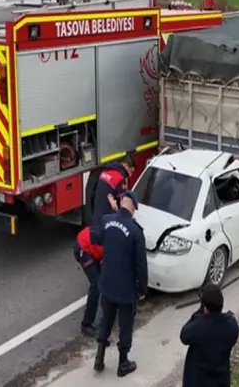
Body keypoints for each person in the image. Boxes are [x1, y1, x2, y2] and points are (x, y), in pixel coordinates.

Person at [94, 190, 148, 377]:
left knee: (106, 319)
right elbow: (141, 264)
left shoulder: (106, 221)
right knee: (125, 325)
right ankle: (123, 363)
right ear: (132, 207)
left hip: (107, 282)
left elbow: (100, 240)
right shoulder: (136, 231)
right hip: (125, 289)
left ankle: (99, 358)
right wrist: (142, 288)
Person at [73, 193, 118, 337]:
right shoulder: (114, 243)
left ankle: (107, 316)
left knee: (105, 282)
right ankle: (86, 324)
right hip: (84, 248)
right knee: (97, 285)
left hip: (96, 250)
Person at [180, 284, 239, 387]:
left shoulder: (198, 326)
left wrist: (199, 313)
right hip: (221, 380)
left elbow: (184, 336)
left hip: (197, 381)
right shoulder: (231, 325)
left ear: (205, 309)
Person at [89, 153, 136, 245]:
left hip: (96, 224)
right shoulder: (120, 179)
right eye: (131, 171)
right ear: (125, 165)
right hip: (108, 226)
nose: (130, 175)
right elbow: (123, 205)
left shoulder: (104, 173)